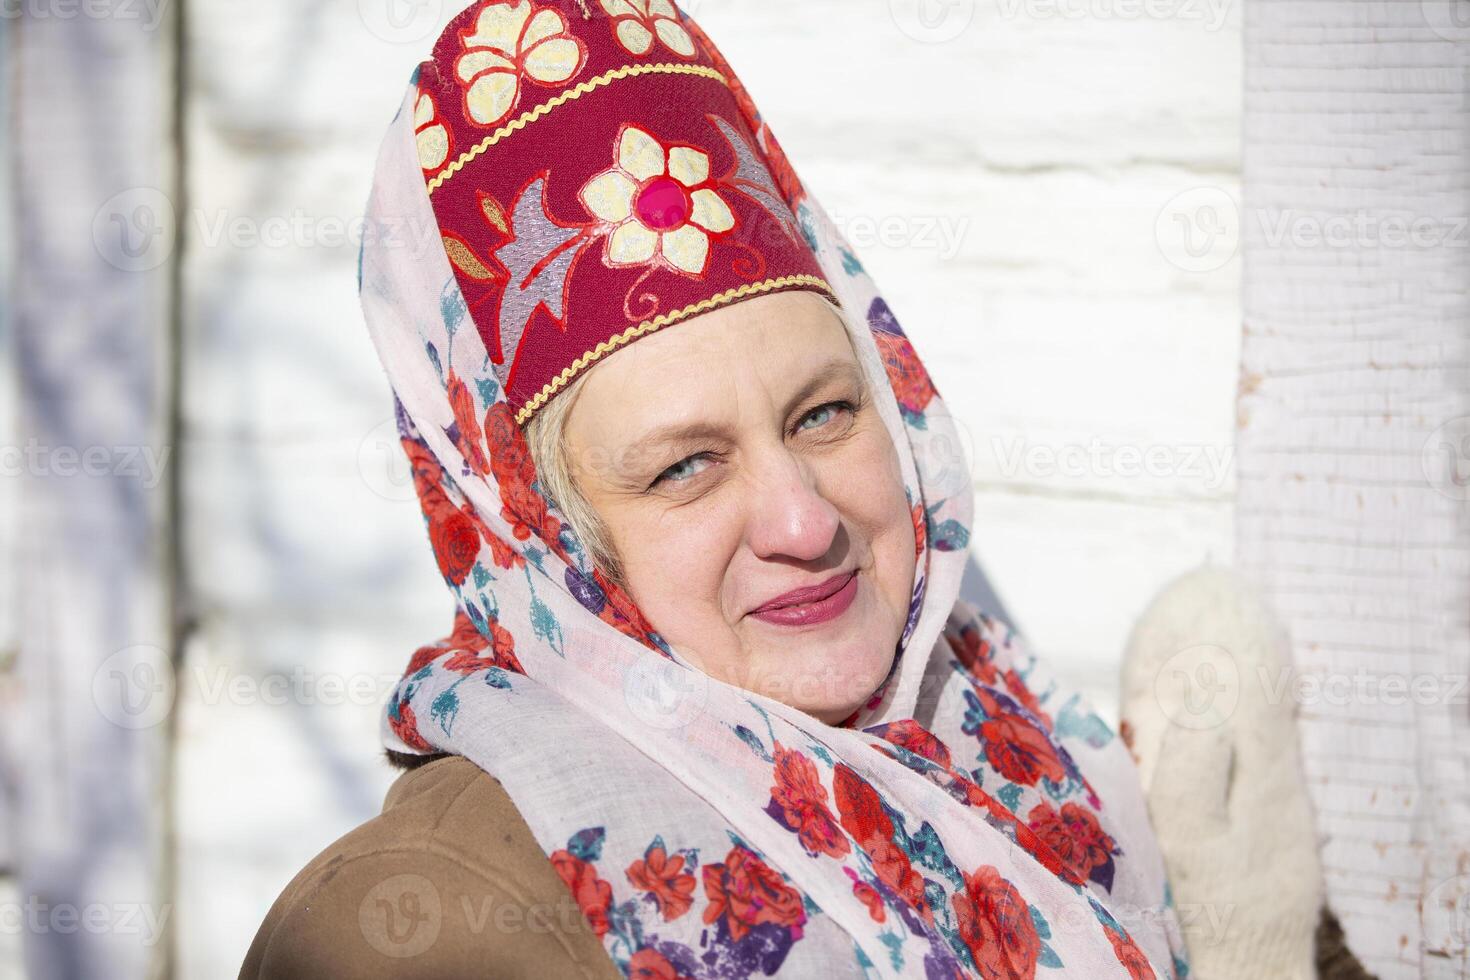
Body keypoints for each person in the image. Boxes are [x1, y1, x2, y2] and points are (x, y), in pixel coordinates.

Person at [241, 2, 1189, 976]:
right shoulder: (428, 926)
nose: (804, 520)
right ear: (545, 538)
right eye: (683, 466)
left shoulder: (1022, 749)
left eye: (823, 412)